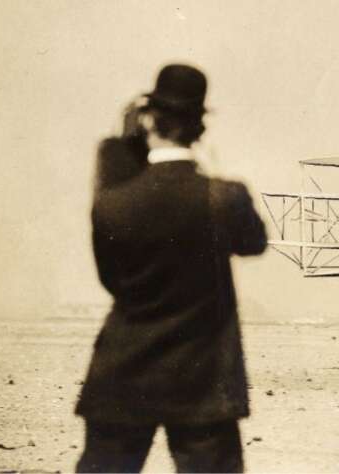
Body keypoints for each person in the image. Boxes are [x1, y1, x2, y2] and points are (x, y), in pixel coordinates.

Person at [75, 64, 267, 473]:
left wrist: (121, 154)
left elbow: (113, 282)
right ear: (200, 127)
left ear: (148, 120)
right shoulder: (225, 198)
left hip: (123, 372)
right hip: (204, 381)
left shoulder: (111, 204)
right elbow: (254, 243)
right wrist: (210, 174)